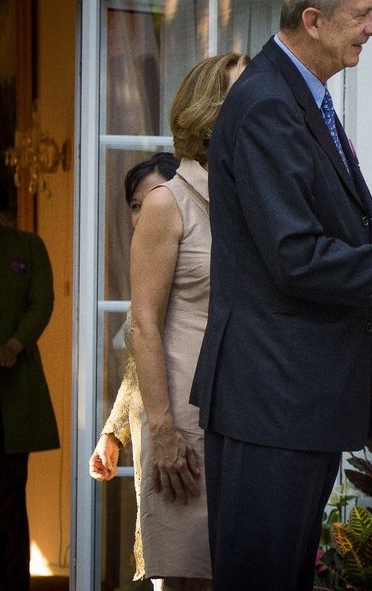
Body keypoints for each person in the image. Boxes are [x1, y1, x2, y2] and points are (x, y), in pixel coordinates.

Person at [189, 0, 372, 590]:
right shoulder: (269, 105)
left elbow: (299, 235)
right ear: (312, 19)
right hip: (271, 396)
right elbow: (295, 258)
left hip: (288, 396)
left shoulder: (297, 94)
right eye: (362, 12)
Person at [128, 53, 248, 590]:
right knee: (188, 578)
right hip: (184, 420)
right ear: (210, 110)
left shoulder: (255, 197)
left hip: (249, 416)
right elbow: (143, 325)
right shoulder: (165, 202)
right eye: (244, 93)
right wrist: (163, 430)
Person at [87, 151, 180, 584]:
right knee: (163, 567)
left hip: (187, 434)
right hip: (150, 437)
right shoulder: (149, 269)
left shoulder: (194, 268)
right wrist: (113, 433)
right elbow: (135, 366)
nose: (145, 215)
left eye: (157, 200)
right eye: (137, 206)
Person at [0, 187, 60, 591]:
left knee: (9, 497)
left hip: (13, 387)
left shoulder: (29, 247)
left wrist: (15, 344)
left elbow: (42, 302)